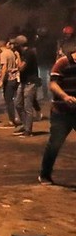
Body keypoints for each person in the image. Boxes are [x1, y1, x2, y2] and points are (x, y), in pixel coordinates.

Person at [38, 41, 76, 186]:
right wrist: (65, 96)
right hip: (61, 112)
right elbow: (53, 84)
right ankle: (45, 174)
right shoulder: (63, 62)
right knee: (55, 144)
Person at [14, 35, 40, 137]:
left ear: (19, 44)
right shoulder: (24, 53)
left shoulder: (29, 53)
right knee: (18, 104)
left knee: (27, 106)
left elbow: (21, 68)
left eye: (15, 44)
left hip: (30, 82)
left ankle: (28, 130)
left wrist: (17, 56)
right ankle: (25, 125)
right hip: (24, 81)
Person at [0, 39, 21, 128]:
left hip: (8, 79)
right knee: (12, 99)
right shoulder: (11, 52)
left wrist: (1, 80)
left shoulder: (3, 54)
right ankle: (16, 119)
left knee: (8, 100)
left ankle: (12, 121)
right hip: (14, 78)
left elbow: (4, 68)